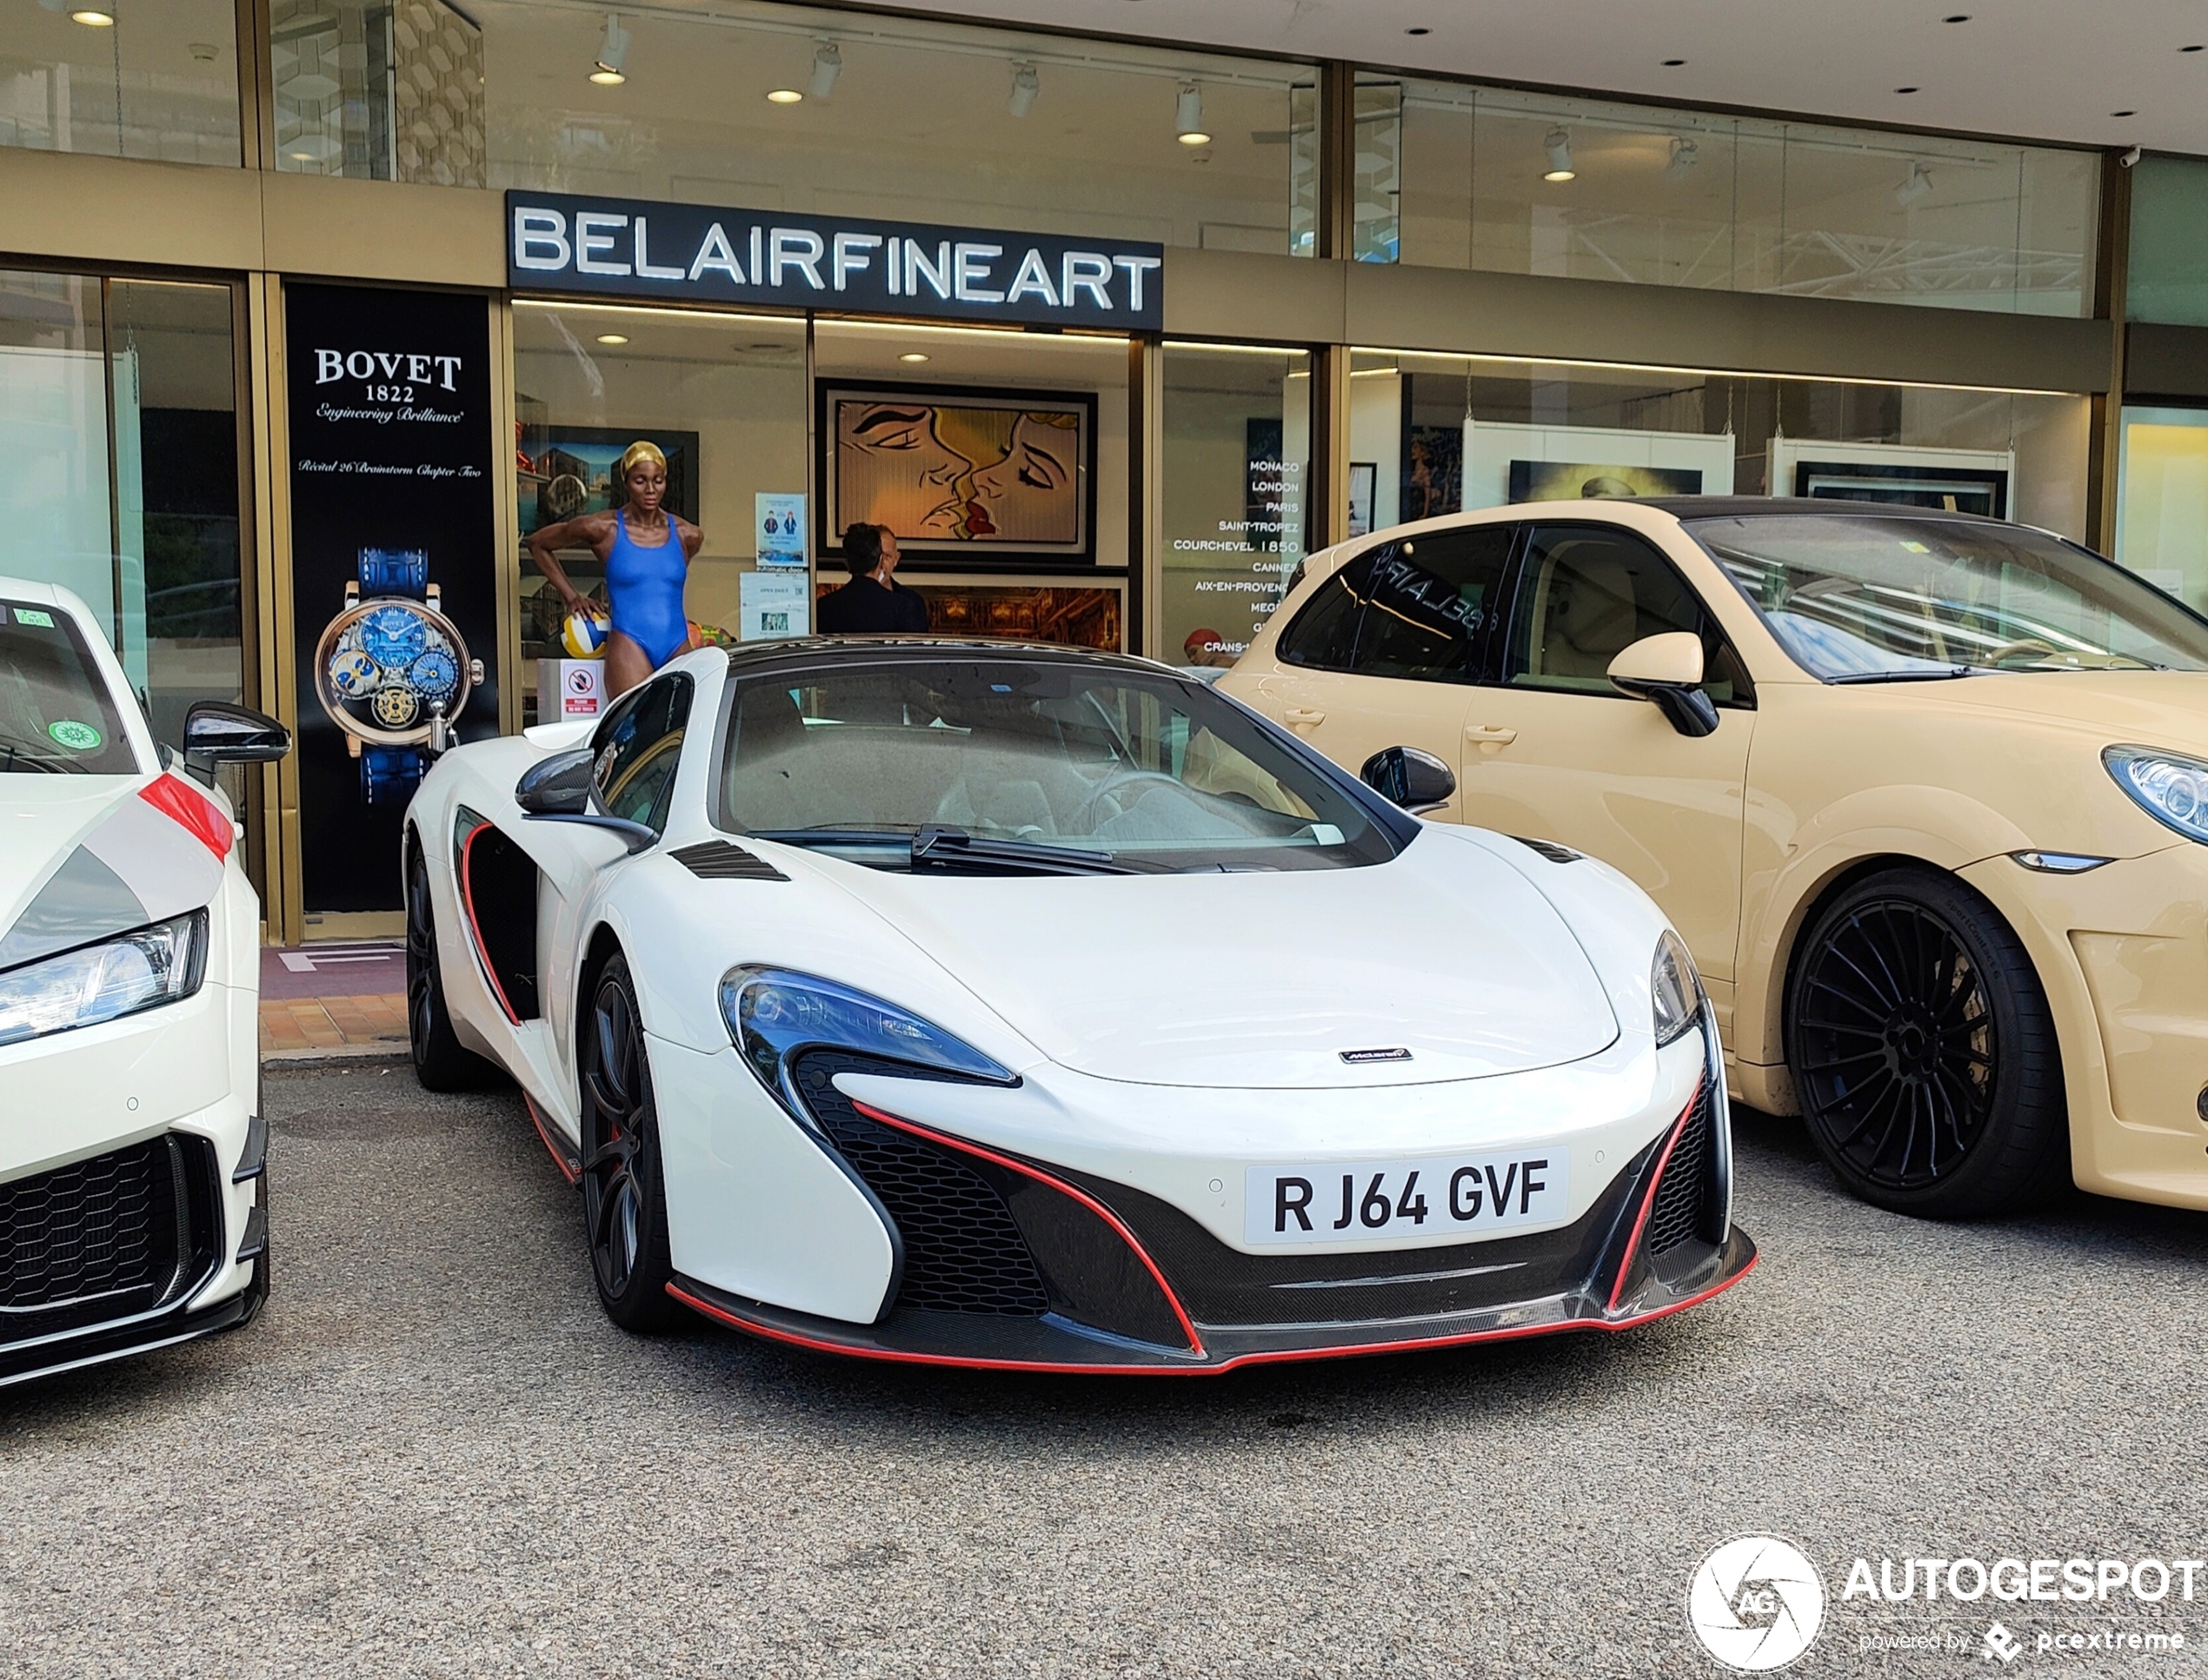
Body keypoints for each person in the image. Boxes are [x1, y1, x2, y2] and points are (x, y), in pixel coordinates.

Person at [528, 441, 703, 696]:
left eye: (658, 480)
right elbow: (537, 544)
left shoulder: (689, 535)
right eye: (640, 480)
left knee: (683, 731)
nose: (651, 489)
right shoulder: (604, 528)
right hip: (630, 643)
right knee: (630, 732)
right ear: (626, 481)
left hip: (677, 644)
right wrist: (572, 597)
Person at [817, 522, 930, 634]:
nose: (884, 565)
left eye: (888, 556)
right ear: (879, 559)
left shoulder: (825, 607)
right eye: (883, 556)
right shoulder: (903, 607)